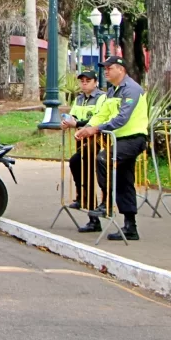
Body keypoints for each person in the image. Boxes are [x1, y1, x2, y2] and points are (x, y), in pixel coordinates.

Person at [74, 56, 149, 241]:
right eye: (105, 68)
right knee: (125, 180)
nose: (106, 71)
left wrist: (96, 129)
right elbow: (103, 114)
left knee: (103, 159)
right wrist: (87, 128)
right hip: (119, 140)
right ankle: (131, 227)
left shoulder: (131, 89)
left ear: (121, 70)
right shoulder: (112, 91)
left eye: (109, 68)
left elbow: (122, 118)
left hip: (134, 138)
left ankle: (107, 203)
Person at [61, 70, 108, 215]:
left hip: (97, 139)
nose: (84, 83)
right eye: (82, 81)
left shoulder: (101, 98)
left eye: (88, 81)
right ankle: (84, 197)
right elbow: (73, 116)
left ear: (95, 82)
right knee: (78, 164)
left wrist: (77, 124)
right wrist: (67, 122)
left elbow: (98, 118)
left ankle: (101, 202)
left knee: (84, 165)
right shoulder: (79, 99)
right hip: (81, 138)